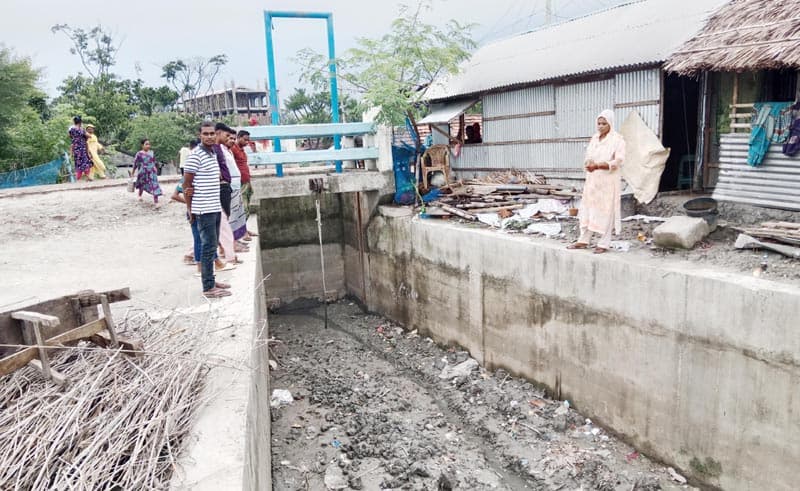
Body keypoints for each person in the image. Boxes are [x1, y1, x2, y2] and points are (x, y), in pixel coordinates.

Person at [183, 121, 231, 298]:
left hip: (214, 206)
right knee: (207, 247)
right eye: (206, 134)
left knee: (212, 247)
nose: (209, 137)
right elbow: (187, 185)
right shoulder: (195, 155)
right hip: (203, 209)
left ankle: (211, 280)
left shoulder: (212, 154)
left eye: (212, 134)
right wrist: (190, 210)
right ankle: (208, 287)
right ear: (200, 135)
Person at [567, 109, 626, 254]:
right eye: (599, 123)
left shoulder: (618, 140)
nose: (600, 126)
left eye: (604, 124)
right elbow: (588, 155)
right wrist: (589, 163)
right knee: (588, 209)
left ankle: (604, 243)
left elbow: (618, 161)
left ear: (610, 124)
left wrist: (598, 166)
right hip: (593, 181)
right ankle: (583, 240)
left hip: (607, 183)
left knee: (606, 212)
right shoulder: (594, 138)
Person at [132, 139, 164, 208]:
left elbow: (153, 161)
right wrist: (133, 172)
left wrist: (155, 167)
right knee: (142, 184)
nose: (148, 146)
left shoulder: (151, 152)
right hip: (143, 171)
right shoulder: (139, 153)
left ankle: (156, 202)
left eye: (149, 144)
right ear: (142, 145)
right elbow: (135, 164)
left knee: (154, 185)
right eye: (146, 144)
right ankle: (139, 195)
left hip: (152, 172)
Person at [69, 116, 93, 181]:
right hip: (82, 148)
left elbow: (70, 137)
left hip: (76, 149)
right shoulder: (81, 130)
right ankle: (87, 176)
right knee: (86, 162)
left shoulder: (71, 130)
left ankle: (78, 179)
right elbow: (89, 136)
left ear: (74, 122)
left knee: (78, 163)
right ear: (80, 122)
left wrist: (71, 153)